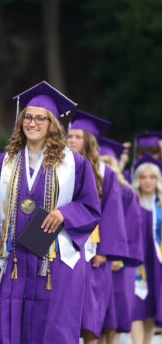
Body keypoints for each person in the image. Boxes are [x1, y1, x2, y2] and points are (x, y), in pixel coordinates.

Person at [0, 81, 102, 343]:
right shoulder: (6, 162)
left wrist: (65, 214)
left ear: (52, 124)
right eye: (28, 117)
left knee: (53, 330)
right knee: (14, 328)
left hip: (55, 261)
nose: (31, 123)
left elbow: (91, 206)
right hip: (15, 262)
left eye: (39, 119)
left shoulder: (74, 163)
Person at [67, 110, 130, 344]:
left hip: (93, 250)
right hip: (65, 245)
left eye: (77, 136)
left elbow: (112, 214)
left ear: (89, 141)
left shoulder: (106, 173)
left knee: (91, 313)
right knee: (67, 309)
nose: (71, 139)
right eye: (69, 135)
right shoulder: (60, 166)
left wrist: (104, 251)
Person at [98, 137, 143, 344]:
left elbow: (133, 229)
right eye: (102, 162)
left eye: (109, 162)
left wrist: (120, 257)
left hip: (118, 263)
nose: (105, 166)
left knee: (115, 316)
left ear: (115, 164)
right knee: (96, 315)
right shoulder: (92, 189)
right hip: (96, 260)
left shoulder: (126, 192)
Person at [131, 159, 162, 344]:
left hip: (156, 260)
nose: (148, 181)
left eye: (152, 177)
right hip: (136, 258)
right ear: (137, 179)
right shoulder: (131, 201)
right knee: (136, 303)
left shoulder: (160, 205)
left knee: (152, 304)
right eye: (143, 177)